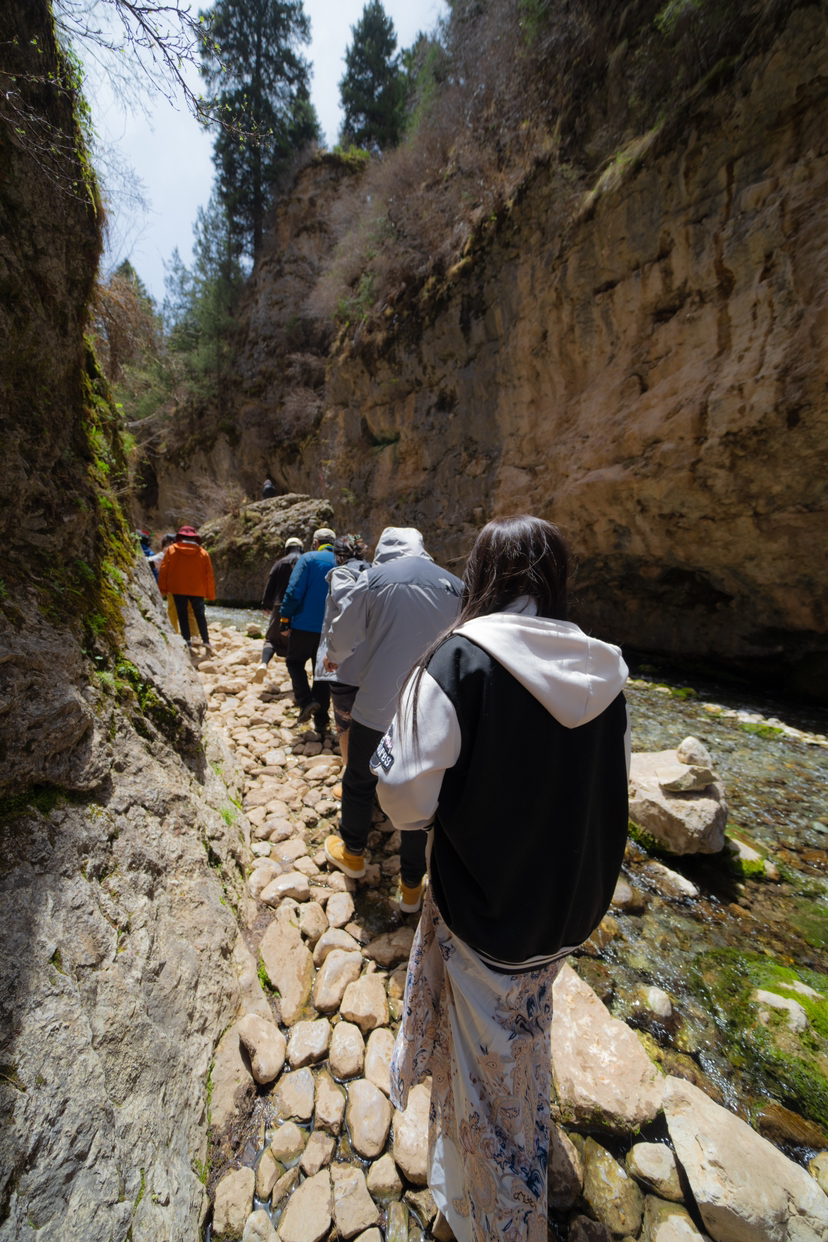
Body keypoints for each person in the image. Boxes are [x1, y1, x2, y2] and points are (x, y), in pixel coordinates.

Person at [373, 516, 631, 1242]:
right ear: (557, 578)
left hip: (487, 914)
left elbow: (403, 797)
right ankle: (503, 1141)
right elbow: (614, 787)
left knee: (486, 1070)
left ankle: (496, 1214)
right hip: (565, 912)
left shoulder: (459, 661)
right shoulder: (606, 670)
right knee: (521, 1026)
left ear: (481, 575)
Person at [321, 527, 464, 909]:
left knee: (359, 781)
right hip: (430, 709)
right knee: (419, 795)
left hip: (378, 706)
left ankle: (353, 855)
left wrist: (334, 655)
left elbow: (343, 633)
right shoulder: (456, 586)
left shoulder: (373, 579)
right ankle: (412, 886)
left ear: (384, 551)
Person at [314, 534, 371, 766]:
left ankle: (350, 774)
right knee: (371, 724)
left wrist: (333, 653)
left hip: (344, 665)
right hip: (373, 664)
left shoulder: (342, 574)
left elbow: (348, 611)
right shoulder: (377, 574)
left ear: (338, 556)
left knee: (345, 725)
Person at [279, 527, 337, 735]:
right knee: (322, 672)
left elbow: (294, 590)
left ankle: (306, 701)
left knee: (294, 662)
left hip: (303, 625)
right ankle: (322, 721)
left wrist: (285, 618)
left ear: (316, 542)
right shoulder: (342, 561)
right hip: (330, 629)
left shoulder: (308, 558)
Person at [252, 536, 304, 683]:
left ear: (286, 549)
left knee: (272, 639)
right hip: (301, 608)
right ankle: (297, 679)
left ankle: (264, 663)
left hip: (279, 606)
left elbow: (271, 585)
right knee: (299, 641)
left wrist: (266, 604)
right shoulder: (306, 563)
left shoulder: (279, 564)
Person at [158, 525, 216, 654]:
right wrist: (210, 594)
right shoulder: (203, 553)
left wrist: (163, 589)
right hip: (197, 590)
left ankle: (187, 642)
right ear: (195, 538)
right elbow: (209, 575)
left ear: (180, 537)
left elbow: (163, 571)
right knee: (200, 615)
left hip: (178, 588)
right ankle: (206, 641)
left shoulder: (171, 550)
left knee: (182, 615)